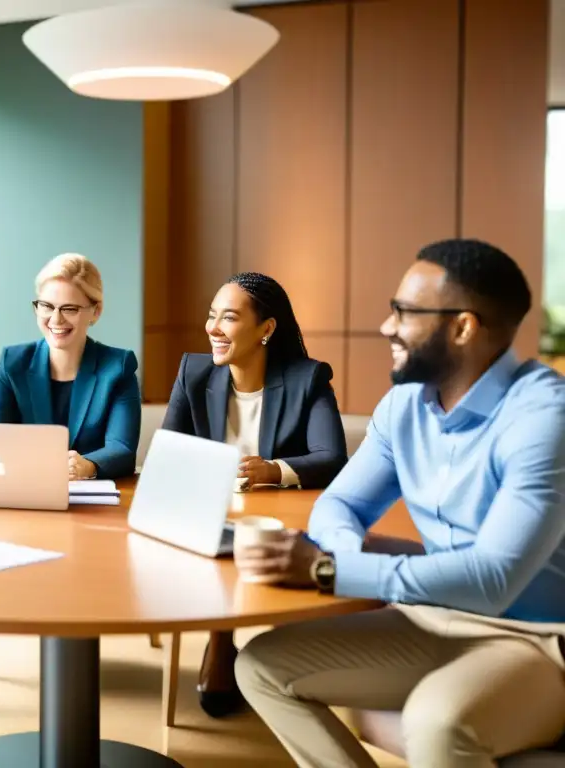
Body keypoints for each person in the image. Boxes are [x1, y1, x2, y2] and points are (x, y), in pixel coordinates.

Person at [233, 239, 565, 768]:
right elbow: (340, 504)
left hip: (538, 639)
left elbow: (492, 581)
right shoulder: (404, 406)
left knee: (438, 722)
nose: (387, 327)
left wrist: (328, 569)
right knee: (260, 665)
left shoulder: (543, 417)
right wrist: (338, 557)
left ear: (463, 327)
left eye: (405, 313)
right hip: (432, 618)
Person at [161, 271, 348, 718]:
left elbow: (333, 457)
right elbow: (167, 452)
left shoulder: (308, 378)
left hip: (278, 521)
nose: (213, 328)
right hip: (211, 514)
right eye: (211, 317)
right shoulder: (194, 372)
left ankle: (269, 655)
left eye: (228, 318)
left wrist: (275, 470)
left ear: (266, 329)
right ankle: (221, 641)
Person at [0, 253, 141, 480]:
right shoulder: (12, 362)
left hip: (91, 502)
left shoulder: (118, 366)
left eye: (69, 309)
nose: (55, 320)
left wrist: (87, 466)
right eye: (47, 306)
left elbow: (122, 448)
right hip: (24, 489)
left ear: (95, 311)